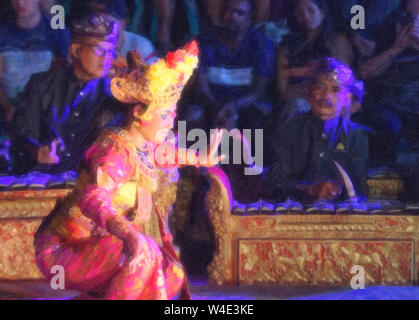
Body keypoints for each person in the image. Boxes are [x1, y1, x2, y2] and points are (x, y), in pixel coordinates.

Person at [34, 41, 224, 300]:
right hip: (67, 248)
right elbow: (94, 198)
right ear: (139, 113)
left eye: (172, 115)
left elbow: (159, 155)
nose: (171, 123)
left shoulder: (139, 144)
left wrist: (201, 158)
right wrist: (128, 233)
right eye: (166, 115)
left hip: (99, 244)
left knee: (172, 275)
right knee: (145, 253)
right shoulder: (113, 148)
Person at [10, 13, 119, 174]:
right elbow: (22, 134)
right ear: (76, 50)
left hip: (91, 184)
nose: (106, 58)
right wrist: (37, 152)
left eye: (110, 51)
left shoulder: (114, 94)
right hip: (43, 181)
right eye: (99, 50)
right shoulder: (41, 85)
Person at [268, 58, 369, 202]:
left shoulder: (357, 136)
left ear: (347, 98)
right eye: (320, 87)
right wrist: (309, 189)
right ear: (308, 92)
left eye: (335, 90)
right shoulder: (287, 130)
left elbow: (360, 190)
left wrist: (336, 191)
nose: (326, 96)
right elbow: (275, 182)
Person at [354, 0, 419, 200]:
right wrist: (396, 48)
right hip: (387, 99)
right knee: (391, 128)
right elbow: (364, 72)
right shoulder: (378, 15)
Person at [184, 0, 275, 131]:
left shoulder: (262, 44)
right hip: (211, 102)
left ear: (249, 18)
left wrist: (235, 106)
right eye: (228, 10)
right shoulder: (204, 42)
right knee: (192, 116)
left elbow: (258, 91)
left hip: (246, 104)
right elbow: (201, 88)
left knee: (257, 119)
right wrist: (216, 108)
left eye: (240, 13)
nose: (233, 16)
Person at [275, 0, 353, 122]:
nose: (305, 16)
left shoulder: (337, 42)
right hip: (297, 102)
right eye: (300, 13)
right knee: (295, 107)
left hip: (328, 99)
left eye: (310, 10)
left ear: (322, 13)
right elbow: (283, 90)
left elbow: (344, 81)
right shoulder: (287, 47)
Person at [0, 0, 70, 101]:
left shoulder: (57, 33)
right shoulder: (3, 34)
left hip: (45, 107)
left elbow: (65, 77)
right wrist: (7, 106)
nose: (20, 3)